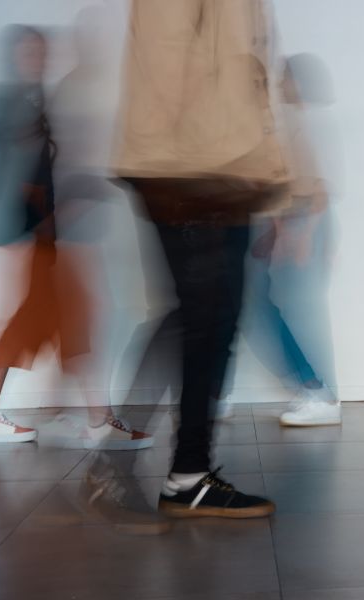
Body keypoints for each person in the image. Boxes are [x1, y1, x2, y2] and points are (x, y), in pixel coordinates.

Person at [112, 0, 287, 518]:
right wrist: (190, 170)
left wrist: (269, 180)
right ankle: (123, 466)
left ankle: (185, 473)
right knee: (200, 320)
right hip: (190, 170)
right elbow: (163, 60)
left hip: (223, 172)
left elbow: (248, 80)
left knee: (212, 322)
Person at [0, 25, 150, 450]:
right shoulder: (6, 102)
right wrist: (15, 234)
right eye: (30, 53)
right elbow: (1, 170)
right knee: (24, 319)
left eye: (42, 52)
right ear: (13, 57)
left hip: (43, 232)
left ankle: (94, 418)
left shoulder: (37, 103)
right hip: (18, 233)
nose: (38, 60)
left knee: (73, 318)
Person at [218, 53, 343, 427]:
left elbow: (314, 187)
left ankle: (319, 391)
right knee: (253, 306)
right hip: (280, 224)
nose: (275, 83)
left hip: (299, 222)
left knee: (290, 310)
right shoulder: (270, 122)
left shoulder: (291, 121)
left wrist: (297, 235)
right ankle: (310, 388)